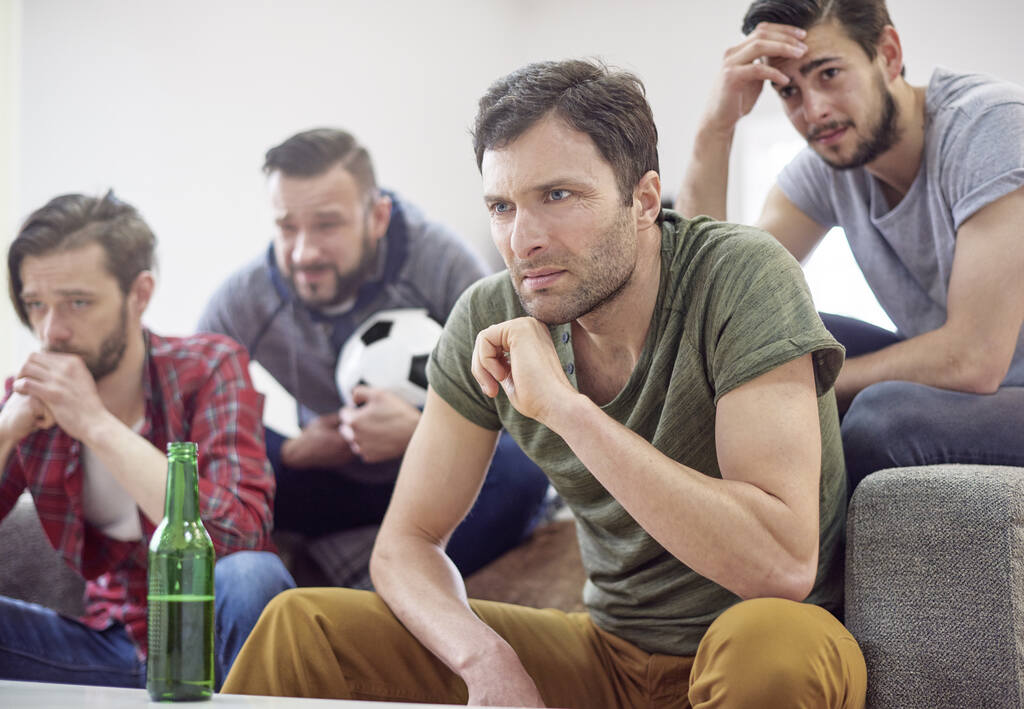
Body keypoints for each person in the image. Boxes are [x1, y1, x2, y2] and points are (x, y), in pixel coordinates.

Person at [222, 59, 867, 708]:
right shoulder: (488, 313)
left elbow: (781, 565)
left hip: (770, 637)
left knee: (768, 653)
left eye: (557, 196)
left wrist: (566, 408)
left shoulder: (743, 276)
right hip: (609, 658)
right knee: (299, 629)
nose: (522, 240)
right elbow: (404, 546)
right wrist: (485, 661)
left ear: (644, 200)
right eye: (502, 206)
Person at [676, 0, 1024, 491]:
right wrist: (716, 128)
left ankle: (805, 562)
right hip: (986, 386)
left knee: (880, 418)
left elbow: (973, 359)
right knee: (798, 340)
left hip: (1003, 382)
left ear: (889, 53)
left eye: (829, 73)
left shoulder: (991, 126)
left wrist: (791, 395)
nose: (814, 110)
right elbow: (716, 301)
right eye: (789, 91)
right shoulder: (828, 167)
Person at [198, 128, 551, 581]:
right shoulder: (246, 298)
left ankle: (388, 593)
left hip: (438, 479)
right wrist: (290, 453)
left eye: (327, 224)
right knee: (212, 468)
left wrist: (424, 434)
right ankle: (359, 573)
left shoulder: (440, 262)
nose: (304, 252)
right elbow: (193, 417)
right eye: (287, 227)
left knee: (522, 470)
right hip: (331, 485)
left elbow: (523, 399)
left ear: (379, 217)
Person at [0, 192, 294, 688]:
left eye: (77, 302)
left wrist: (94, 422)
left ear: (139, 295)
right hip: (106, 646)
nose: (52, 331)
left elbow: (238, 534)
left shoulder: (209, 368)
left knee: (252, 576)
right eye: (35, 305)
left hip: (211, 643)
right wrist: (8, 430)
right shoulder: (30, 402)